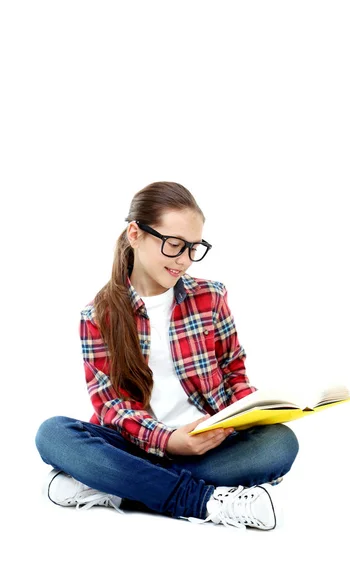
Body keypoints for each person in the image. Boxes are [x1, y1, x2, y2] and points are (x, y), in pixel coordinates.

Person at [35, 181, 299, 530]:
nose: (184, 260)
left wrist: (252, 411)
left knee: (279, 443)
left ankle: (117, 486)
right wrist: (169, 440)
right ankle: (204, 502)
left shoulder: (211, 296)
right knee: (53, 434)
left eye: (194, 248)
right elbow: (110, 406)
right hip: (133, 444)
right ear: (135, 233)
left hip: (209, 445)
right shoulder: (97, 316)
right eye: (174, 245)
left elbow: (233, 370)